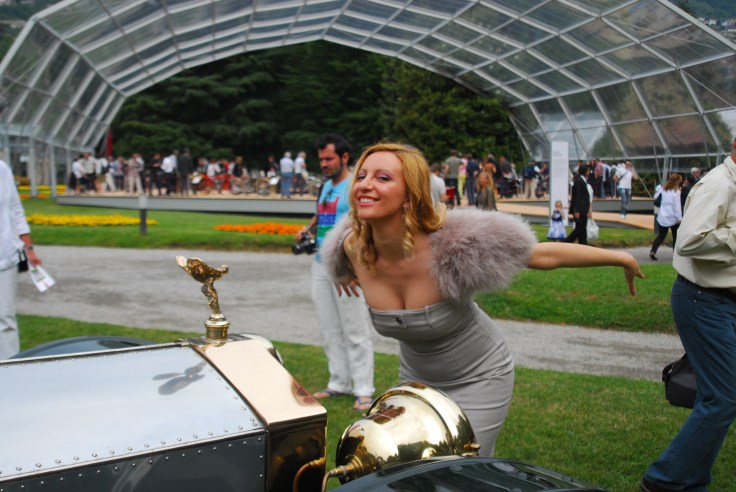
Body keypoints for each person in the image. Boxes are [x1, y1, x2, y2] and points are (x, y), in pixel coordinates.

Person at [321, 142, 643, 455]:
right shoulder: (353, 250)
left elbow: (542, 255)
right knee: (407, 469)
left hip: (480, 375)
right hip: (417, 382)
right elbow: (337, 257)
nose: (365, 184)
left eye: (383, 177)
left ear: (410, 195)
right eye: (361, 176)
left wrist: (621, 258)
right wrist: (342, 273)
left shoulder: (452, 245)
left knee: (461, 469)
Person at [640, 140, 736, 492]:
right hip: (703, 300)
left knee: (720, 397)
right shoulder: (718, 184)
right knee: (723, 397)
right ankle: (664, 479)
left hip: (720, 300)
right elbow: (689, 241)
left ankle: (692, 481)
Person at [295, 133, 374, 412]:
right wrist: (307, 230)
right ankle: (339, 382)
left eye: (329, 158)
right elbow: (322, 213)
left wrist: (354, 267)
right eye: (321, 159)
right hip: (320, 263)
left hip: (346, 266)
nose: (324, 164)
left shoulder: (356, 187)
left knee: (355, 328)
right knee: (329, 328)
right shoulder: (326, 186)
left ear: (344, 157)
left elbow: (365, 225)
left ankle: (363, 390)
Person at [1, 159, 42, 359]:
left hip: (4, 256)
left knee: (5, 317)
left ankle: (9, 366)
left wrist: (29, 248)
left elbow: (16, 208)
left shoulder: (2, 169)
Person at [649, 174, 682, 261]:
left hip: (663, 215)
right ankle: (675, 255)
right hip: (673, 216)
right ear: (677, 181)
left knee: (661, 236)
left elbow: (655, 197)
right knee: (676, 236)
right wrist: (679, 218)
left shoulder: (663, 189)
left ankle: (653, 251)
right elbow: (677, 206)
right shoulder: (676, 192)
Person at [564, 164, 592, 245]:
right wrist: (577, 210)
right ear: (585, 171)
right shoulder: (579, 181)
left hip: (583, 209)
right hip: (580, 210)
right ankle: (566, 242)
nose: (589, 172)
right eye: (588, 171)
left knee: (582, 230)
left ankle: (583, 244)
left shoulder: (581, 180)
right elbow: (577, 197)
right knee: (579, 229)